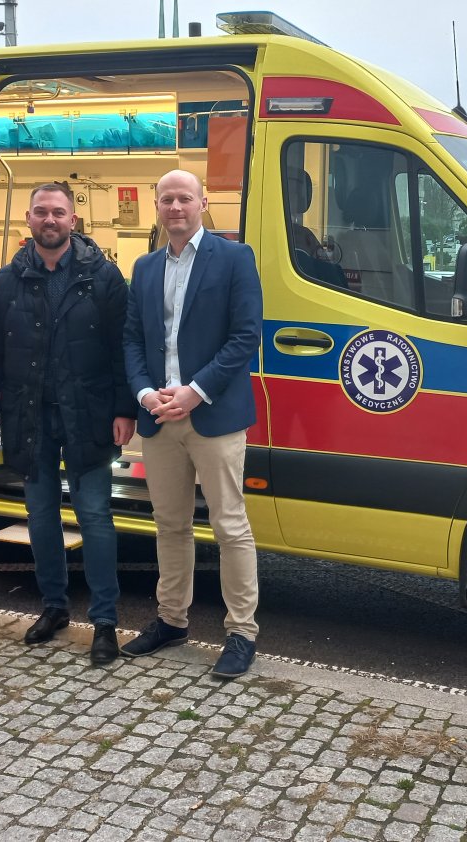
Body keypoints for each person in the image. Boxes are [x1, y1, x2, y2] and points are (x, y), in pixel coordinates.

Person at [0, 182, 136, 665]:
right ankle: (54, 607)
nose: (50, 220)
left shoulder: (104, 279)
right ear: (28, 219)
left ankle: (105, 621)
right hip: (28, 419)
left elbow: (122, 351)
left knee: (96, 519)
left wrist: (124, 410)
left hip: (88, 416)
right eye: (41, 212)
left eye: (58, 212)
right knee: (40, 517)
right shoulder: (4, 283)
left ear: (73, 221)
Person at [121, 169, 263, 679]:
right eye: (166, 199)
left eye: (184, 198)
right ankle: (171, 619)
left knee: (230, 526)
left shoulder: (234, 258)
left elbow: (245, 337)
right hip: (159, 417)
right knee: (170, 525)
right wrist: (144, 393)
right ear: (156, 206)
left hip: (214, 415)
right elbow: (133, 340)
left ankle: (241, 632)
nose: (175, 207)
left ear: (203, 202)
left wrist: (194, 392)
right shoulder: (143, 268)